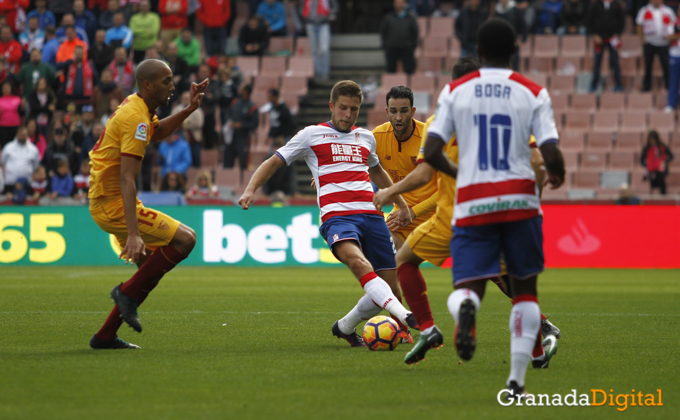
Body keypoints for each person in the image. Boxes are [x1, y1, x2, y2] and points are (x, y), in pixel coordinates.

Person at [374, 57, 561, 365]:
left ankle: (429, 327)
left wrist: (389, 192)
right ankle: (537, 353)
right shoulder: (509, 114)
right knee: (515, 286)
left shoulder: (440, 122)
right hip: (497, 216)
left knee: (405, 262)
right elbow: (539, 164)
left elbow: (425, 173)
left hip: (450, 217)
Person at [423, 19, 565, 398]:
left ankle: (467, 307)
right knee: (525, 292)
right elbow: (549, 151)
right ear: (515, 50)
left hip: (473, 202)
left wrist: (461, 172)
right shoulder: (533, 91)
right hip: (520, 200)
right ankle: (516, 381)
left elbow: (432, 151)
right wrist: (558, 174)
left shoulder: (455, 91)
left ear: (479, 52)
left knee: (467, 284)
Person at [239, 80, 417, 347]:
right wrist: (251, 189)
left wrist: (401, 203)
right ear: (332, 106)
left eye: (354, 110)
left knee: (389, 286)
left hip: (372, 215)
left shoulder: (366, 137)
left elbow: (376, 170)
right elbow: (275, 160)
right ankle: (405, 318)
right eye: (343, 108)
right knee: (358, 264)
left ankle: (345, 327)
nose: (348, 114)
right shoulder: (311, 134)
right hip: (337, 217)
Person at [87, 59, 208, 349]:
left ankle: (105, 335)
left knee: (148, 269)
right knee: (186, 240)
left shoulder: (138, 106)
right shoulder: (135, 117)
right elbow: (128, 178)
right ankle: (125, 294)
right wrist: (133, 234)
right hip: (111, 202)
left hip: (107, 198)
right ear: (147, 85)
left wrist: (190, 109)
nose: (172, 86)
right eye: (166, 81)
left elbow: (158, 133)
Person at [262, 88, 296, 196]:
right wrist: (270, 135)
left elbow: (291, 125)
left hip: (283, 137)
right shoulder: (272, 109)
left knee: (283, 160)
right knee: (272, 159)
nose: (269, 98)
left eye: (271, 96)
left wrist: (283, 135)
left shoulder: (284, 109)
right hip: (275, 137)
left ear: (276, 96)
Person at [636, 0, 676, 92]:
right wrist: (642, 39)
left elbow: (674, 24)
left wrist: (671, 37)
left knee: (666, 66)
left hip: (664, 44)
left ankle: (668, 85)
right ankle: (646, 87)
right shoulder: (644, 10)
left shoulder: (668, 11)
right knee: (648, 66)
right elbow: (639, 25)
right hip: (649, 43)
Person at [587, 0, 625, 92]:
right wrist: (594, 34)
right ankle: (594, 85)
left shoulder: (616, 5)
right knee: (597, 63)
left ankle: (618, 84)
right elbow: (589, 20)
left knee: (614, 62)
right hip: (599, 39)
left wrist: (617, 34)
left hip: (612, 39)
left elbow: (621, 21)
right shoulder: (596, 5)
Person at [223, 83, 258, 171]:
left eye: (241, 88)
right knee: (227, 161)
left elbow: (255, 124)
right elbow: (228, 113)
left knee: (243, 162)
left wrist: (241, 125)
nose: (239, 90)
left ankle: (244, 181)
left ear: (246, 91)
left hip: (243, 138)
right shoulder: (235, 102)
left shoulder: (252, 106)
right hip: (231, 137)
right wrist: (229, 121)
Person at [380, 0, 419, 75]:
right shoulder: (388, 17)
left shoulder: (410, 18)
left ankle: (408, 86)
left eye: (401, 2)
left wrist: (412, 45)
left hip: (407, 48)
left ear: (404, 4)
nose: (399, 4)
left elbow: (415, 32)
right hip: (391, 48)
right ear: (394, 4)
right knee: (391, 70)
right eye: (397, 2)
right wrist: (385, 45)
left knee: (409, 70)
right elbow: (383, 32)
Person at [301, 0, 337, 79]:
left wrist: (331, 15)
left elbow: (334, 6)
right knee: (314, 50)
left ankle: (324, 73)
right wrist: (305, 18)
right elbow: (302, 7)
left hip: (324, 24)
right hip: (310, 24)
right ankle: (317, 73)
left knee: (324, 49)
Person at [1, 125, 40, 194]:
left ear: (27, 135)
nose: (22, 137)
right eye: (20, 135)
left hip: (27, 184)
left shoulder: (33, 149)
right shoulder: (8, 147)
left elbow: (36, 165)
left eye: (24, 135)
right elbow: (3, 162)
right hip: (10, 183)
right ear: (17, 135)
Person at [171, 91, 204, 167]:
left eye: (187, 98)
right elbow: (172, 122)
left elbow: (199, 123)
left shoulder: (197, 110)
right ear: (181, 99)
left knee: (196, 159)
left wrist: (183, 123)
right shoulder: (176, 109)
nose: (185, 100)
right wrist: (188, 122)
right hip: (180, 139)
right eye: (184, 98)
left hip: (194, 139)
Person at [493, 0, 528, 72]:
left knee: (513, 67)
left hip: (512, 43)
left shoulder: (515, 10)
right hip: (499, 44)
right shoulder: (497, 11)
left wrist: (523, 38)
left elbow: (523, 25)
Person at [640, 130, 674, 194]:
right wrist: (646, 166)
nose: (652, 141)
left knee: (660, 181)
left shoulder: (662, 146)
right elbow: (641, 160)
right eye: (651, 140)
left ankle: (663, 197)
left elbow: (671, 156)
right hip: (651, 170)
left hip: (661, 169)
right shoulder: (647, 148)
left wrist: (664, 162)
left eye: (653, 139)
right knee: (652, 180)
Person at [0, 81, 23, 149]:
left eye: (8, 87)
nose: (6, 89)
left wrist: (23, 107)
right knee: (5, 145)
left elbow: (22, 113)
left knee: (16, 145)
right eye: (4, 88)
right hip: (3, 126)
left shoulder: (17, 99)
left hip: (15, 125)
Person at [666, 5, 680, 112]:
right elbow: (669, 36)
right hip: (675, 54)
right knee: (674, 80)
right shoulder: (673, 23)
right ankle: (671, 104)